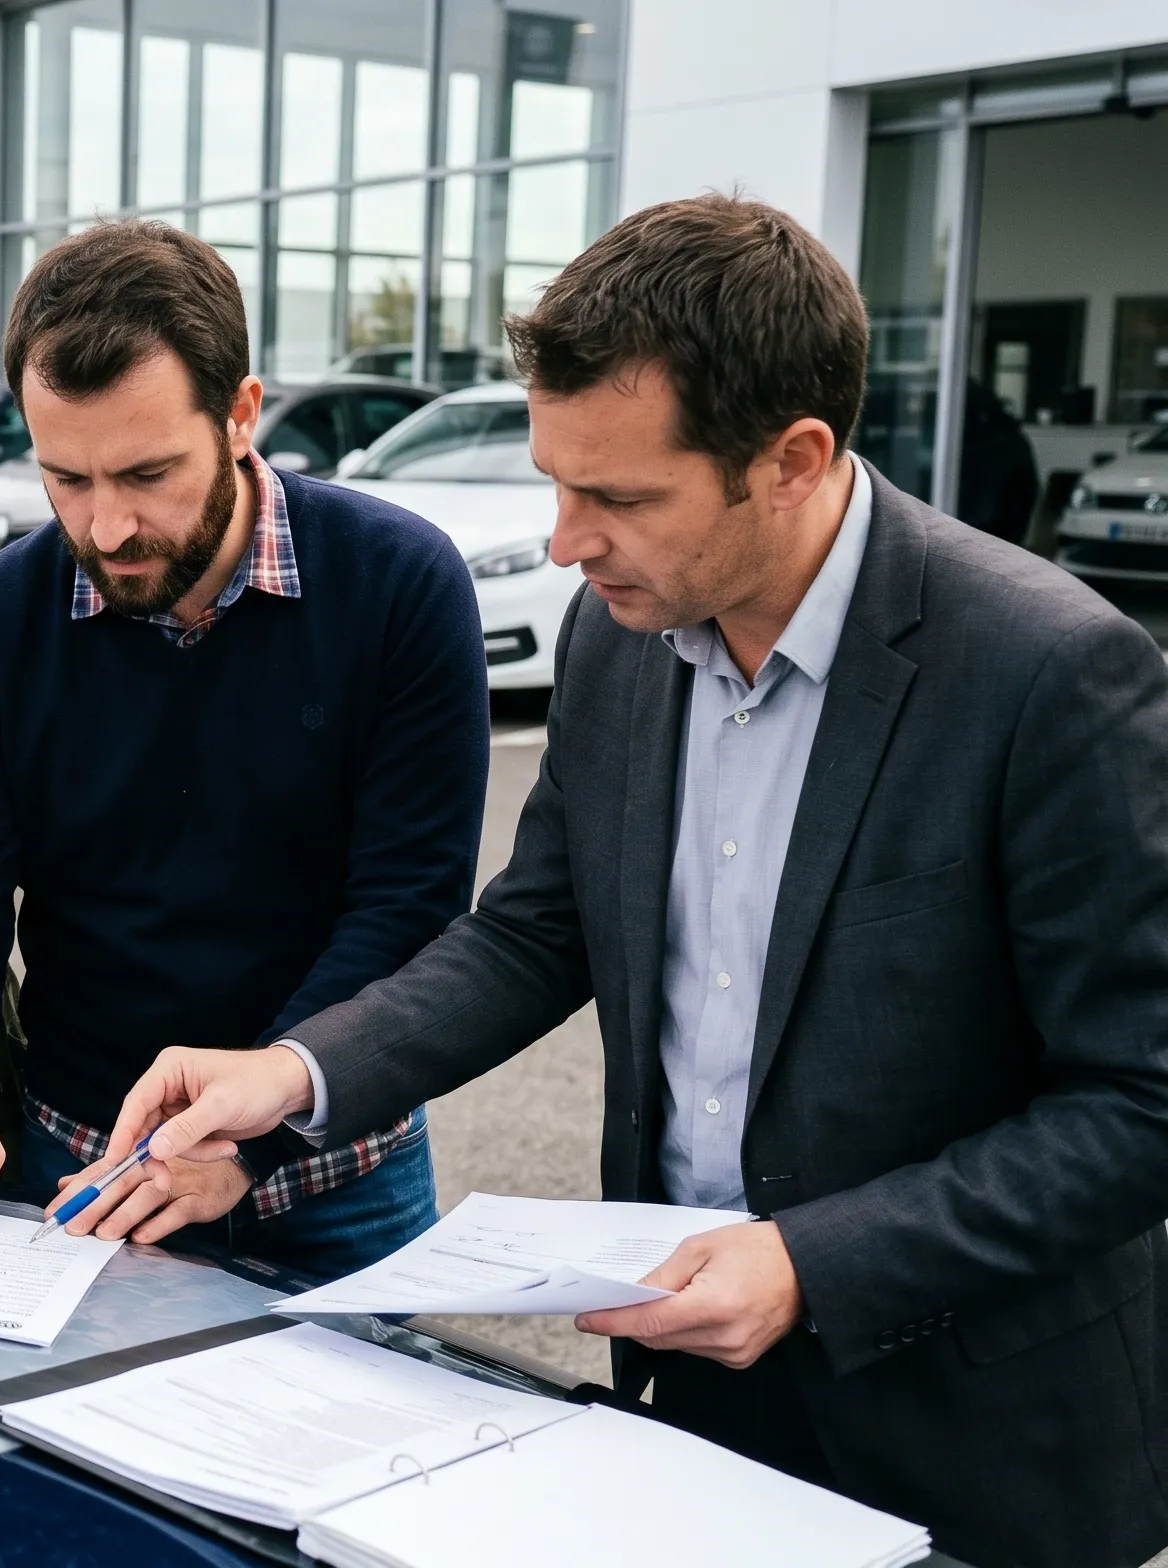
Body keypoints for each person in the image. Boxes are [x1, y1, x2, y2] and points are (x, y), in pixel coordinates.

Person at [103, 196, 1168, 1568]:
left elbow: (1139, 1103)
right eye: (556, 483)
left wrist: (811, 1263)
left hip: (975, 1440)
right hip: (690, 1392)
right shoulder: (615, 637)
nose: (564, 541)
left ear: (791, 461)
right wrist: (296, 1074)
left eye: (616, 498)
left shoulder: (1049, 674)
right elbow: (535, 931)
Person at [0, 220, 488, 1281]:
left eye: (146, 473)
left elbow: (406, 908)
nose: (106, 528)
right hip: (86, 1166)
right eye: (65, 479)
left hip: (340, 1175)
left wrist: (251, 1133)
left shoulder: (399, 586)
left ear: (240, 414)